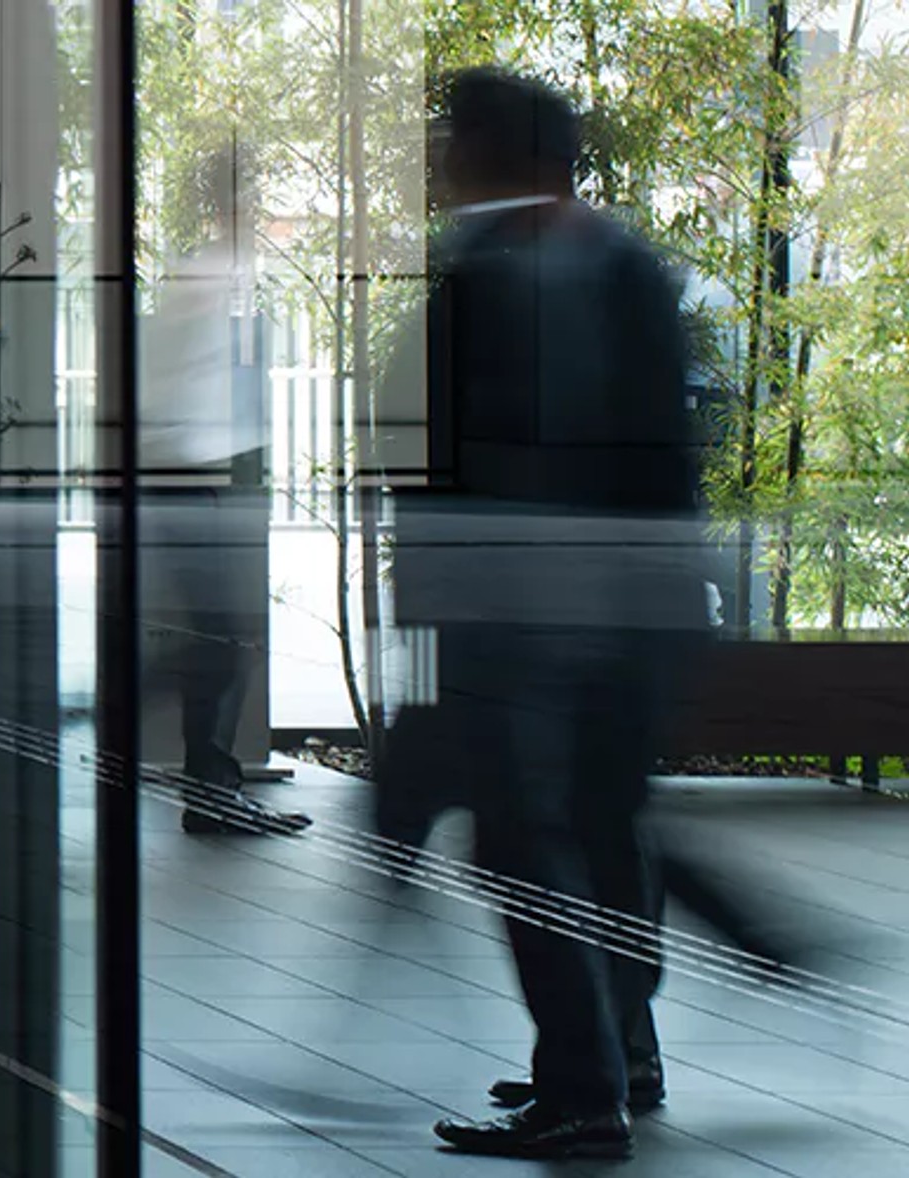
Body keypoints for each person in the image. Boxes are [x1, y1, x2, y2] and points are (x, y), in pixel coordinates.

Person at [385, 67, 714, 1161]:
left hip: (517, 622)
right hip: (623, 615)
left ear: (491, 154)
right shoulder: (627, 265)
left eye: (448, 139)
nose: (436, 159)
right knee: (607, 832)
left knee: (526, 843)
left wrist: (425, 634)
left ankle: (582, 1089)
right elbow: (669, 453)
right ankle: (623, 1049)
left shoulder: (483, 273)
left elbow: (439, 473)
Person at [140, 144, 310, 837]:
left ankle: (208, 788)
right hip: (193, 477)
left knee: (219, 639)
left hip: (200, 476)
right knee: (221, 639)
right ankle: (199, 784)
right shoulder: (208, 273)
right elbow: (173, 386)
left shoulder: (218, 272)